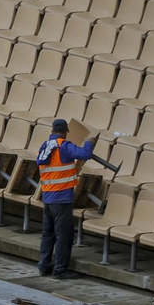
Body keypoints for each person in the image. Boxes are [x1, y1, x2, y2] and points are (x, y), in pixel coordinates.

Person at [36, 118, 95, 279]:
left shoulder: (45, 146)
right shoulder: (64, 146)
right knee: (64, 235)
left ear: (52, 131)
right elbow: (85, 154)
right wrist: (89, 142)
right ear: (66, 132)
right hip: (62, 198)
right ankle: (60, 270)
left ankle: (43, 266)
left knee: (48, 234)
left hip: (47, 197)